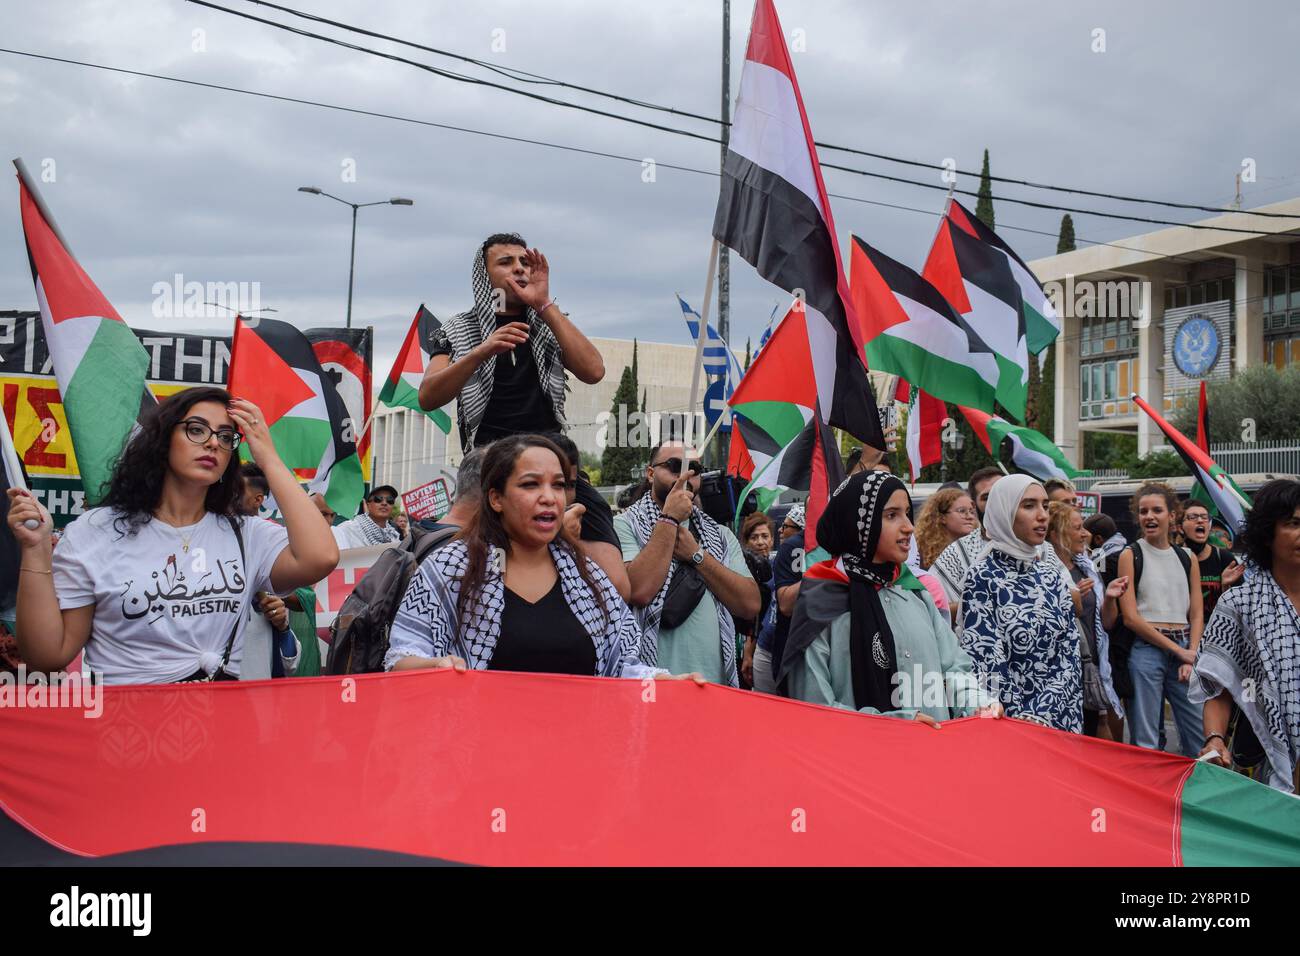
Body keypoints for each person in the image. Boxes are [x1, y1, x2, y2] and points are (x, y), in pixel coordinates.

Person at [6, 387, 338, 684]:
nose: (212, 442)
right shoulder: (96, 532)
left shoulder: (246, 534)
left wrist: (267, 456)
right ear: (163, 440)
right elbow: (49, 657)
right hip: (124, 730)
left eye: (225, 437)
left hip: (218, 728)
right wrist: (35, 551)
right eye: (196, 430)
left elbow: (321, 557)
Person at [384, 435, 687, 680]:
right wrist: (435, 668)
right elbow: (402, 657)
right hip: (481, 751)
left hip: (579, 750)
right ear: (496, 498)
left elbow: (623, 666)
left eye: (558, 485)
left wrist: (666, 683)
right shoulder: (450, 568)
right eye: (530, 484)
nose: (549, 497)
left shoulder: (587, 575)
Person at [781, 472, 1002, 723]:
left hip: (933, 753)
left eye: (907, 513)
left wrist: (977, 703)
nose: (908, 526)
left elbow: (952, 667)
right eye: (891, 515)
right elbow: (814, 707)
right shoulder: (821, 603)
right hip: (858, 758)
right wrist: (897, 723)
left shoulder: (916, 593)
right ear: (860, 525)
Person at [418, 233, 604, 449]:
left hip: (547, 454)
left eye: (524, 262)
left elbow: (594, 371)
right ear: (484, 276)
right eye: (506, 262)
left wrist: (543, 303)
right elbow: (427, 397)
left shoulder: (549, 323)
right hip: (487, 460)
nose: (519, 268)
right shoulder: (458, 328)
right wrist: (482, 351)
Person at [616, 442, 760, 686]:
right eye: (675, 466)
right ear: (650, 474)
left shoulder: (721, 535)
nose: (686, 475)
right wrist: (669, 519)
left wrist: (697, 554)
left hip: (712, 684)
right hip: (654, 683)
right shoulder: (624, 525)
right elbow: (638, 591)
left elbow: (749, 605)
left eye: (695, 468)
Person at [1192, 479, 1300, 793]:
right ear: (1268, 534)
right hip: (1269, 765)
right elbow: (1221, 685)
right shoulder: (1239, 603)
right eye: (1293, 524)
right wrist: (1214, 740)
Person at [959, 475, 1083, 732]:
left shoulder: (1051, 575)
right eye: (1029, 506)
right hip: (1010, 725)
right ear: (1004, 512)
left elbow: (1069, 654)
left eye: (1045, 506)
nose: (1042, 516)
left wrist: (1043, 712)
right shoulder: (983, 576)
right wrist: (1024, 719)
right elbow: (986, 659)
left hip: (1059, 719)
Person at [1115, 482, 1204, 756]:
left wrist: (1191, 652)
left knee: (1198, 735)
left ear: (1172, 516)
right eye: (1143, 511)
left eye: (1156, 510)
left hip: (1184, 649)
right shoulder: (1130, 554)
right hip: (1147, 650)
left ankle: (1196, 795)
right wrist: (1179, 651)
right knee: (1146, 740)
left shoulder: (1187, 557)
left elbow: (1197, 611)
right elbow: (1130, 617)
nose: (1149, 516)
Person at [1046, 501, 1128, 737]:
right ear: (1055, 534)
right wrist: (1069, 600)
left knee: (1090, 734)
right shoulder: (1044, 571)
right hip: (1061, 671)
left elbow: (1107, 623)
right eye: (1078, 528)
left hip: (1090, 669)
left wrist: (1110, 598)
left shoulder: (1087, 568)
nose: (1086, 534)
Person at [234, 466, 305, 680]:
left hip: (255, 694)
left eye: (236, 490)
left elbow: (290, 662)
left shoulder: (277, 547)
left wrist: (282, 625)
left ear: (258, 500)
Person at [546, 432, 630, 600]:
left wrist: (570, 545)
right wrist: (555, 537)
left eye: (568, 485)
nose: (557, 496)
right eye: (531, 484)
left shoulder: (587, 508)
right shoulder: (495, 551)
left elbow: (618, 593)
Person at [930, 467, 1003, 618]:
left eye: (1002, 493)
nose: (996, 501)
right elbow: (933, 611)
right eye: (987, 497)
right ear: (975, 505)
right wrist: (976, 602)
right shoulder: (955, 554)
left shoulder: (1041, 550)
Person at [760, 502, 805, 695]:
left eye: (786, 526)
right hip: (771, 645)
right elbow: (780, 605)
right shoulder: (785, 553)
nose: (780, 530)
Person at [1180, 501, 1245, 618]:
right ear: (1180, 527)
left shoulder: (1225, 559)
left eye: (1204, 517)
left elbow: (1242, 606)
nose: (1200, 520)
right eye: (1192, 517)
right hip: (1183, 630)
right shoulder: (1174, 557)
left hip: (1216, 629)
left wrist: (1225, 587)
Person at [737, 512, 775, 688]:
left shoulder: (777, 565)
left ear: (772, 540)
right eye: (754, 537)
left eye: (765, 536)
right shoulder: (741, 570)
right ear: (746, 542)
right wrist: (748, 650)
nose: (760, 542)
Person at [914, 487, 978, 570]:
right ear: (942, 517)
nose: (970, 517)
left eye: (972, 511)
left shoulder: (981, 547)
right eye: (962, 511)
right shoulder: (920, 552)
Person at [333, 485, 402, 548]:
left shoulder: (394, 535)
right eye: (378, 499)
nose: (384, 503)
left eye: (390, 500)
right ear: (368, 504)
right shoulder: (349, 528)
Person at [1084, 513, 1127, 578]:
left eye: (1085, 538)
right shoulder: (1125, 548)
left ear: (1098, 539)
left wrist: (1085, 549)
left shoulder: (1104, 564)